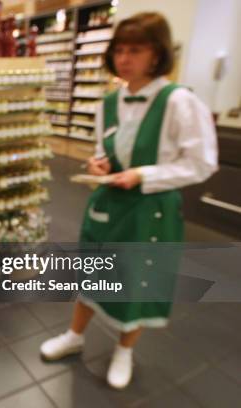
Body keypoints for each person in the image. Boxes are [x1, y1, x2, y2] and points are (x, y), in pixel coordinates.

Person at [39, 12, 218, 389]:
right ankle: (75, 336)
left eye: (135, 49)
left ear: (157, 54)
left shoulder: (180, 102)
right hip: (109, 206)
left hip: (151, 211)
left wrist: (144, 175)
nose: (124, 58)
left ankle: (124, 351)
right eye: (119, 49)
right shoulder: (107, 102)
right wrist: (98, 162)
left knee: (138, 282)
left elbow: (202, 163)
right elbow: (105, 150)